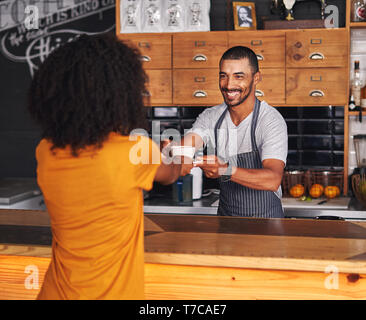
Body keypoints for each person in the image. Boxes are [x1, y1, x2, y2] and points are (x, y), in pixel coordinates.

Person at [28, 33, 181, 299]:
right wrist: (171, 151)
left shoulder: (46, 151)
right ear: (120, 94)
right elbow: (171, 173)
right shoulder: (136, 150)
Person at [180, 46, 288, 218]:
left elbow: (273, 179)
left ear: (256, 78)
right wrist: (174, 152)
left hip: (267, 228)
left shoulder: (270, 120)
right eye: (223, 76)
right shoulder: (211, 117)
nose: (229, 85)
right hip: (226, 225)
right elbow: (186, 147)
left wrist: (225, 170)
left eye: (239, 76)